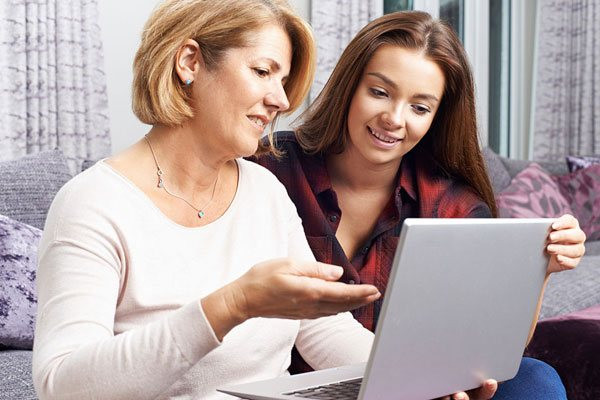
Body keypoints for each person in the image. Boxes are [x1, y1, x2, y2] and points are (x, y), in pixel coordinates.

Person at [32, 1, 385, 399]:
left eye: (282, 81)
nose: (282, 101)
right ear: (190, 62)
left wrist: (420, 375)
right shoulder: (93, 203)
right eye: (263, 71)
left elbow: (321, 329)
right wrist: (232, 304)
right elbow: (62, 387)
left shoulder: (264, 191)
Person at [252, 10, 587, 400]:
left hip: (419, 386)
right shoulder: (269, 169)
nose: (394, 119)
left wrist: (539, 268)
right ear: (348, 87)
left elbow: (490, 346)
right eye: (379, 92)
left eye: (420, 107)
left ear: (436, 118)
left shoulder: (453, 205)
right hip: (295, 384)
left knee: (534, 379)